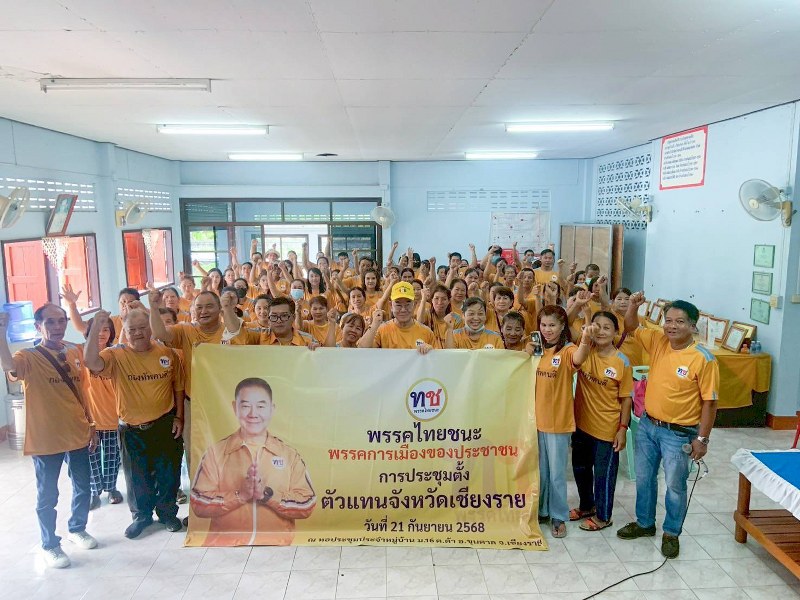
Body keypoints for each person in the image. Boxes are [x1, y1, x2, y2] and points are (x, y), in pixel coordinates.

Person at [616, 295, 718, 559]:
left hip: (678, 434)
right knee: (644, 478)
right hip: (648, 425)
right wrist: (633, 306)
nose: (672, 326)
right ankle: (644, 523)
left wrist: (702, 439)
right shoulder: (659, 341)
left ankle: (671, 533)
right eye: (668, 320)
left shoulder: (703, 359)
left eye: (679, 322)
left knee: (675, 485)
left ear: (693, 326)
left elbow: (710, 403)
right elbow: (631, 326)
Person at [0, 305, 99, 568]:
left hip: (77, 431)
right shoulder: (27, 356)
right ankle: (50, 545)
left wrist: (91, 424)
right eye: (51, 322)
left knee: (83, 486)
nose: (58, 327)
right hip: (46, 438)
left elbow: (84, 392)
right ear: (38, 326)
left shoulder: (74, 350)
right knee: (48, 495)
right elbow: (8, 366)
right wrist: (1, 332)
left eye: (61, 321)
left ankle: (77, 528)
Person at [84, 309, 185, 539]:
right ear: (125, 331)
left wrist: (179, 417)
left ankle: (168, 514)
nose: (138, 333)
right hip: (131, 429)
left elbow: (178, 386)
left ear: (151, 328)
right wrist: (96, 326)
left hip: (165, 424)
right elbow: (91, 361)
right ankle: (141, 516)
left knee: (168, 473)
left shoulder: (167, 353)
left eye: (142, 328)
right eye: (132, 330)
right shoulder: (115, 355)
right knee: (136, 476)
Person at [190, 377, 317, 545]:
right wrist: (239, 495)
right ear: (235, 408)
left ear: (272, 409)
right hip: (225, 546)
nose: (253, 413)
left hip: (277, 547)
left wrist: (267, 494)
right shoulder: (215, 453)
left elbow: (307, 503)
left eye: (261, 406)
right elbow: (198, 502)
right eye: (245, 406)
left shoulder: (289, 455)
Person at [570, 311, 633, 532]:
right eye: (597, 326)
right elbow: (568, 326)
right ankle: (586, 506)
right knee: (580, 468)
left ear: (616, 332)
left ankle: (604, 516)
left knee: (604, 475)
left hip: (607, 428)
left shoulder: (622, 361)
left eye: (607, 327)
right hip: (581, 424)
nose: (601, 331)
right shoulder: (585, 350)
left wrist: (622, 428)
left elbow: (626, 399)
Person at [532, 305, 591, 538]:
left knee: (557, 473)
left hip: (558, 422)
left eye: (552, 325)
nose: (547, 330)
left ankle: (558, 515)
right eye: (543, 325)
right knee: (541, 472)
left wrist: (585, 338)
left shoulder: (567, 350)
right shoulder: (536, 347)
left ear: (562, 326)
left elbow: (580, 357)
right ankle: (542, 511)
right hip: (535, 421)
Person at [83, 316, 123, 510]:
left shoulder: (116, 354)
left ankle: (112, 488)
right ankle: (94, 492)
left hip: (112, 416)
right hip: (88, 418)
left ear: (111, 333)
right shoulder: (81, 354)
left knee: (112, 456)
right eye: (96, 329)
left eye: (106, 329)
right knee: (91, 457)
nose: (101, 333)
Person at [359, 282, 435, 353]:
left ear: (414, 305)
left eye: (407, 304)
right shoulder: (382, 330)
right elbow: (361, 350)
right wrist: (374, 325)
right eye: (398, 305)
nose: (403, 309)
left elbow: (437, 358)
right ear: (391, 306)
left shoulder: (427, 333)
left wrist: (431, 352)